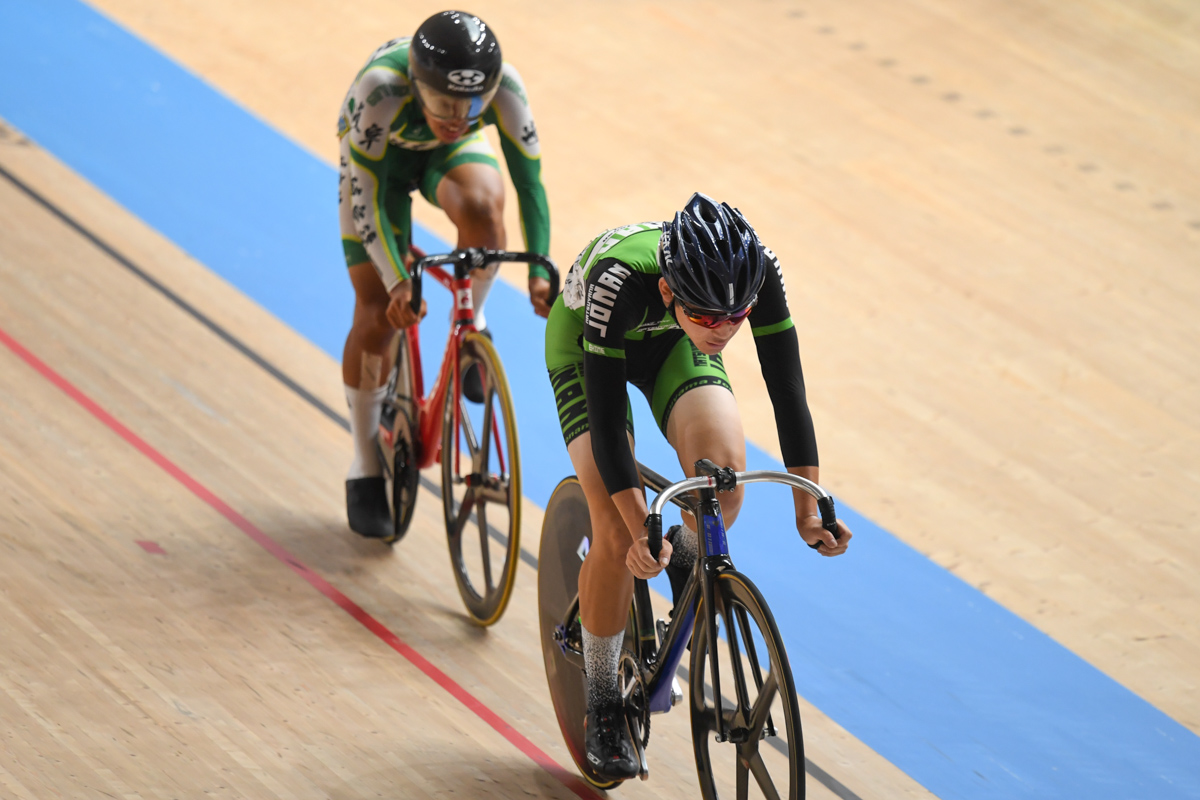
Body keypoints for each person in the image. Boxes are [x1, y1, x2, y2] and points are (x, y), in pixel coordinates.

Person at [543, 192, 853, 779]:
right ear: (668, 291)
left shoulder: (751, 275)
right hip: (586, 350)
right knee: (614, 530)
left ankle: (686, 556)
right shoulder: (619, 283)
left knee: (724, 484)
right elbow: (609, 429)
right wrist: (639, 527)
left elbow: (788, 390)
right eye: (709, 317)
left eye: (736, 317)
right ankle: (605, 699)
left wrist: (807, 506)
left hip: (670, 346)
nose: (725, 329)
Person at [338, 10, 552, 539]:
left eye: (471, 107)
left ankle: (472, 323)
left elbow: (529, 186)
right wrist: (394, 282)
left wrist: (540, 270)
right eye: (441, 104)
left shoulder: (507, 90)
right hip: (379, 170)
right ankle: (365, 465)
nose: (456, 117)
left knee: (485, 208)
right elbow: (361, 198)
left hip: (442, 160)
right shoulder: (379, 90)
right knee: (377, 314)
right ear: (416, 84)